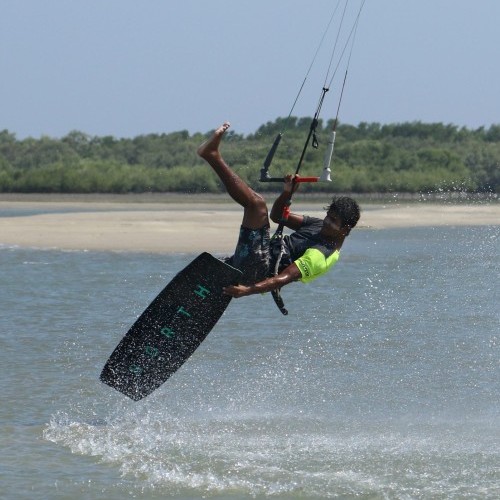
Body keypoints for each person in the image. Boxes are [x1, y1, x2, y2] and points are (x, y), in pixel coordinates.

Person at [197, 122, 360, 299]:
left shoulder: (322, 254)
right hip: (260, 253)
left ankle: (212, 155)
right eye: (328, 216)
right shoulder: (318, 225)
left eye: (334, 222)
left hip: (259, 271)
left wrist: (248, 291)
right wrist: (286, 193)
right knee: (256, 205)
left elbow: (284, 278)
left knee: (257, 204)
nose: (327, 222)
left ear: (345, 229)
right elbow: (278, 216)